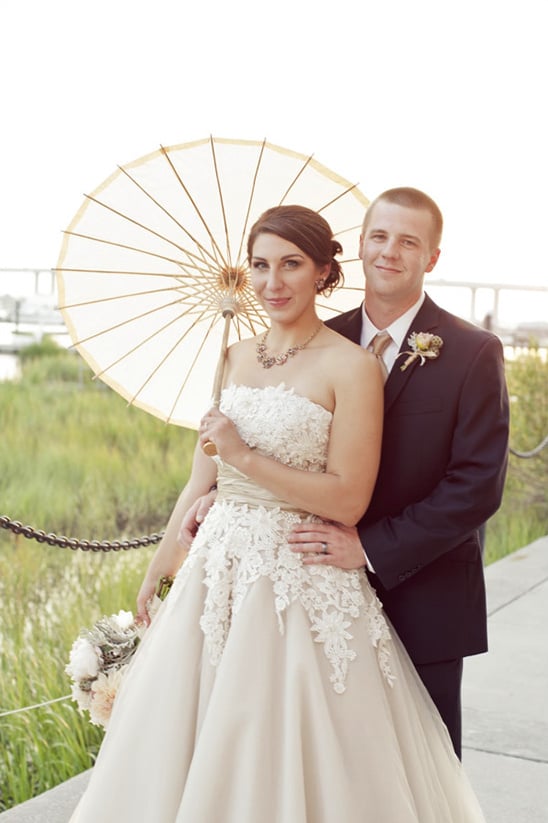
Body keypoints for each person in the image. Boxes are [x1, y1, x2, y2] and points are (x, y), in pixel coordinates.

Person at [69, 205, 486, 822]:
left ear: (324, 271)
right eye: (260, 266)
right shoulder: (233, 356)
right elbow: (200, 479)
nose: (273, 282)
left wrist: (243, 455)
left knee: (294, 736)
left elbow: (349, 498)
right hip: (215, 574)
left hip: (301, 572)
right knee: (192, 731)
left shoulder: (352, 365)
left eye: (291, 264)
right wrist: (162, 569)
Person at [287, 188, 510, 758]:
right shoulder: (316, 340)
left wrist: (370, 547)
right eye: (380, 236)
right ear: (360, 244)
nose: (390, 251)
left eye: (409, 241)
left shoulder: (473, 351)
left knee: (425, 764)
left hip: (427, 594)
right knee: (334, 762)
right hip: (321, 588)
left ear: (431, 257)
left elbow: (477, 485)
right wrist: (214, 493)